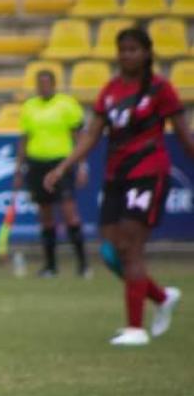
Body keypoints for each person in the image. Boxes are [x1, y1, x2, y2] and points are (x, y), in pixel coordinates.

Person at [45, 27, 193, 347]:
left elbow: (184, 134)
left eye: (133, 50)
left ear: (147, 53)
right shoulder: (110, 90)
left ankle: (135, 329)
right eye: (122, 50)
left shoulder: (159, 89)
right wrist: (64, 167)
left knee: (130, 246)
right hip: (115, 177)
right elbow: (92, 134)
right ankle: (161, 296)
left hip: (148, 173)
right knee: (111, 252)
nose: (126, 56)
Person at [14, 70, 90, 278]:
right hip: (37, 164)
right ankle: (50, 266)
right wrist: (19, 168)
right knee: (45, 217)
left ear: (54, 85)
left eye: (47, 83)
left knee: (69, 214)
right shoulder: (29, 107)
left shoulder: (67, 105)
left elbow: (80, 137)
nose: (43, 87)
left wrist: (82, 166)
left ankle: (83, 265)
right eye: (40, 84)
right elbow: (24, 140)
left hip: (61, 165)